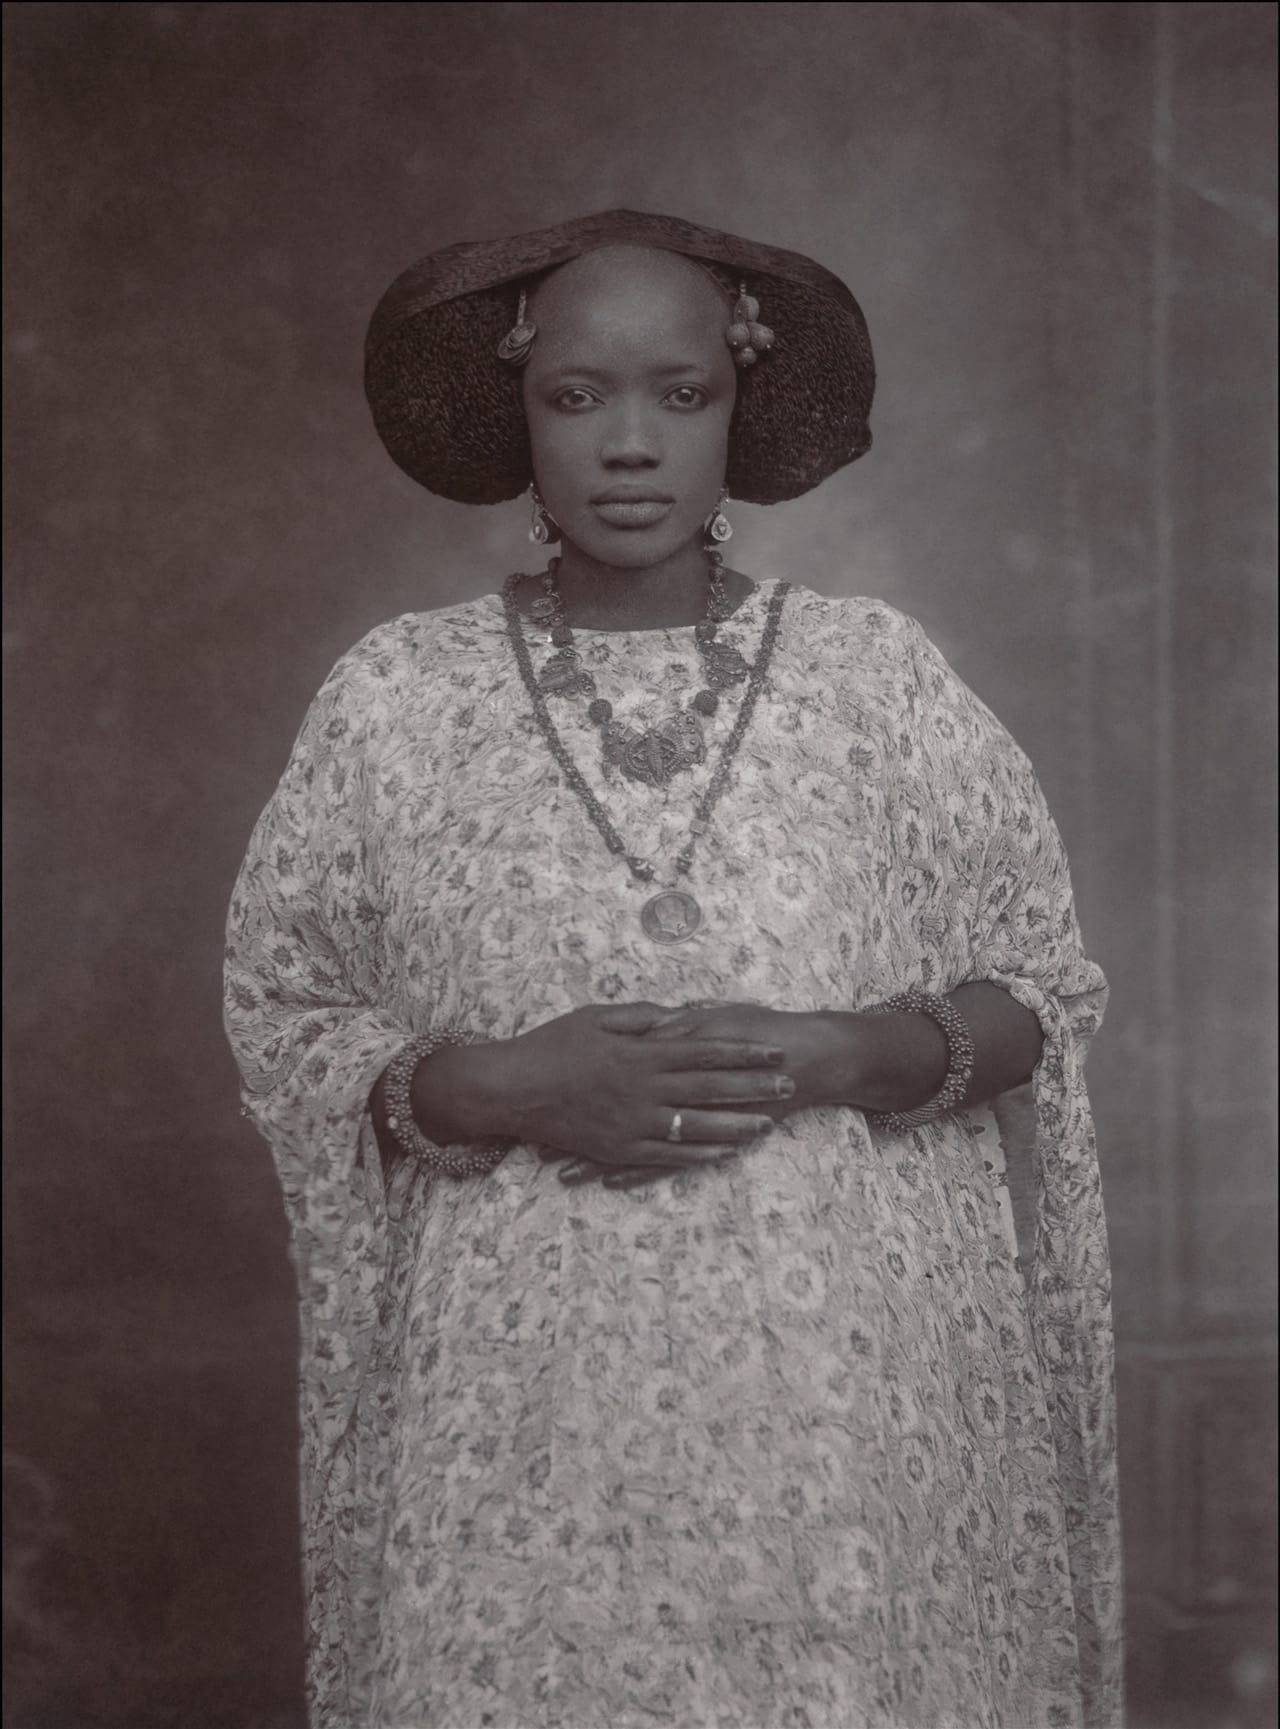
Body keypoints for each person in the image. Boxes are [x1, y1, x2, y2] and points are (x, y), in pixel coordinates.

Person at [223, 210, 1121, 1729]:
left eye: (679, 394)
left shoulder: (875, 677)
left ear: (738, 405)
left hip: (841, 1440)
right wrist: (506, 1082)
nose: (628, 444)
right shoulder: (394, 699)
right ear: (518, 413)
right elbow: (286, 1010)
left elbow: (1039, 990)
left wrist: (840, 1052)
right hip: (518, 1450)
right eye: (578, 397)